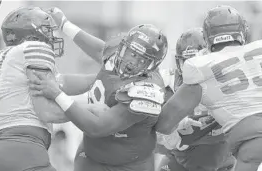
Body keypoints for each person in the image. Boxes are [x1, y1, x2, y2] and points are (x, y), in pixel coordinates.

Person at [29, 7, 168, 171]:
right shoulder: (116, 53)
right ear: (124, 46)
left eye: (142, 60)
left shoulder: (147, 91)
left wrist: (57, 94)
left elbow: (97, 127)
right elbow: (100, 50)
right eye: (131, 53)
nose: (132, 61)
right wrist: (65, 25)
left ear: (152, 66)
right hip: (90, 156)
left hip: (128, 165)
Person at [0, 7, 106, 171]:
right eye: (47, 29)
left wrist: (101, 79)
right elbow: (47, 112)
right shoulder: (35, 47)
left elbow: (60, 82)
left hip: (5, 147)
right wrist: (89, 110)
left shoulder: (8, 56)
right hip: (24, 148)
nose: (53, 35)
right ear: (31, 33)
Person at [156, 5, 262, 171]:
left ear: (207, 40)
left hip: (241, 150)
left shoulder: (201, 68)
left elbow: (162, 124)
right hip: (190, 158)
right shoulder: (257, 50)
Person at [156, 28, 235, 171]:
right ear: (178, 62)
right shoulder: (166, 81)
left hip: (219, 158)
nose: (191, 66)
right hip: (180, 156)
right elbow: (145, 130)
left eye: (196, 60)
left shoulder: (225, 80)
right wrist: (171, 130)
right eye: (186, 61)